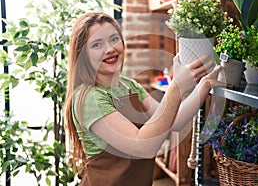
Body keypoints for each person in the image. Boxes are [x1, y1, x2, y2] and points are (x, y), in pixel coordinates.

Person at [64, 11, 224, 186]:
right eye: (96, 44)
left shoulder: (128, 85)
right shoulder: (89, 98)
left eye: (114, 39)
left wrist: (204, 85)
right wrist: (176, 87)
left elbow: (174, 121)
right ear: (83, 54)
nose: (110, 49)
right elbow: (143, 147)